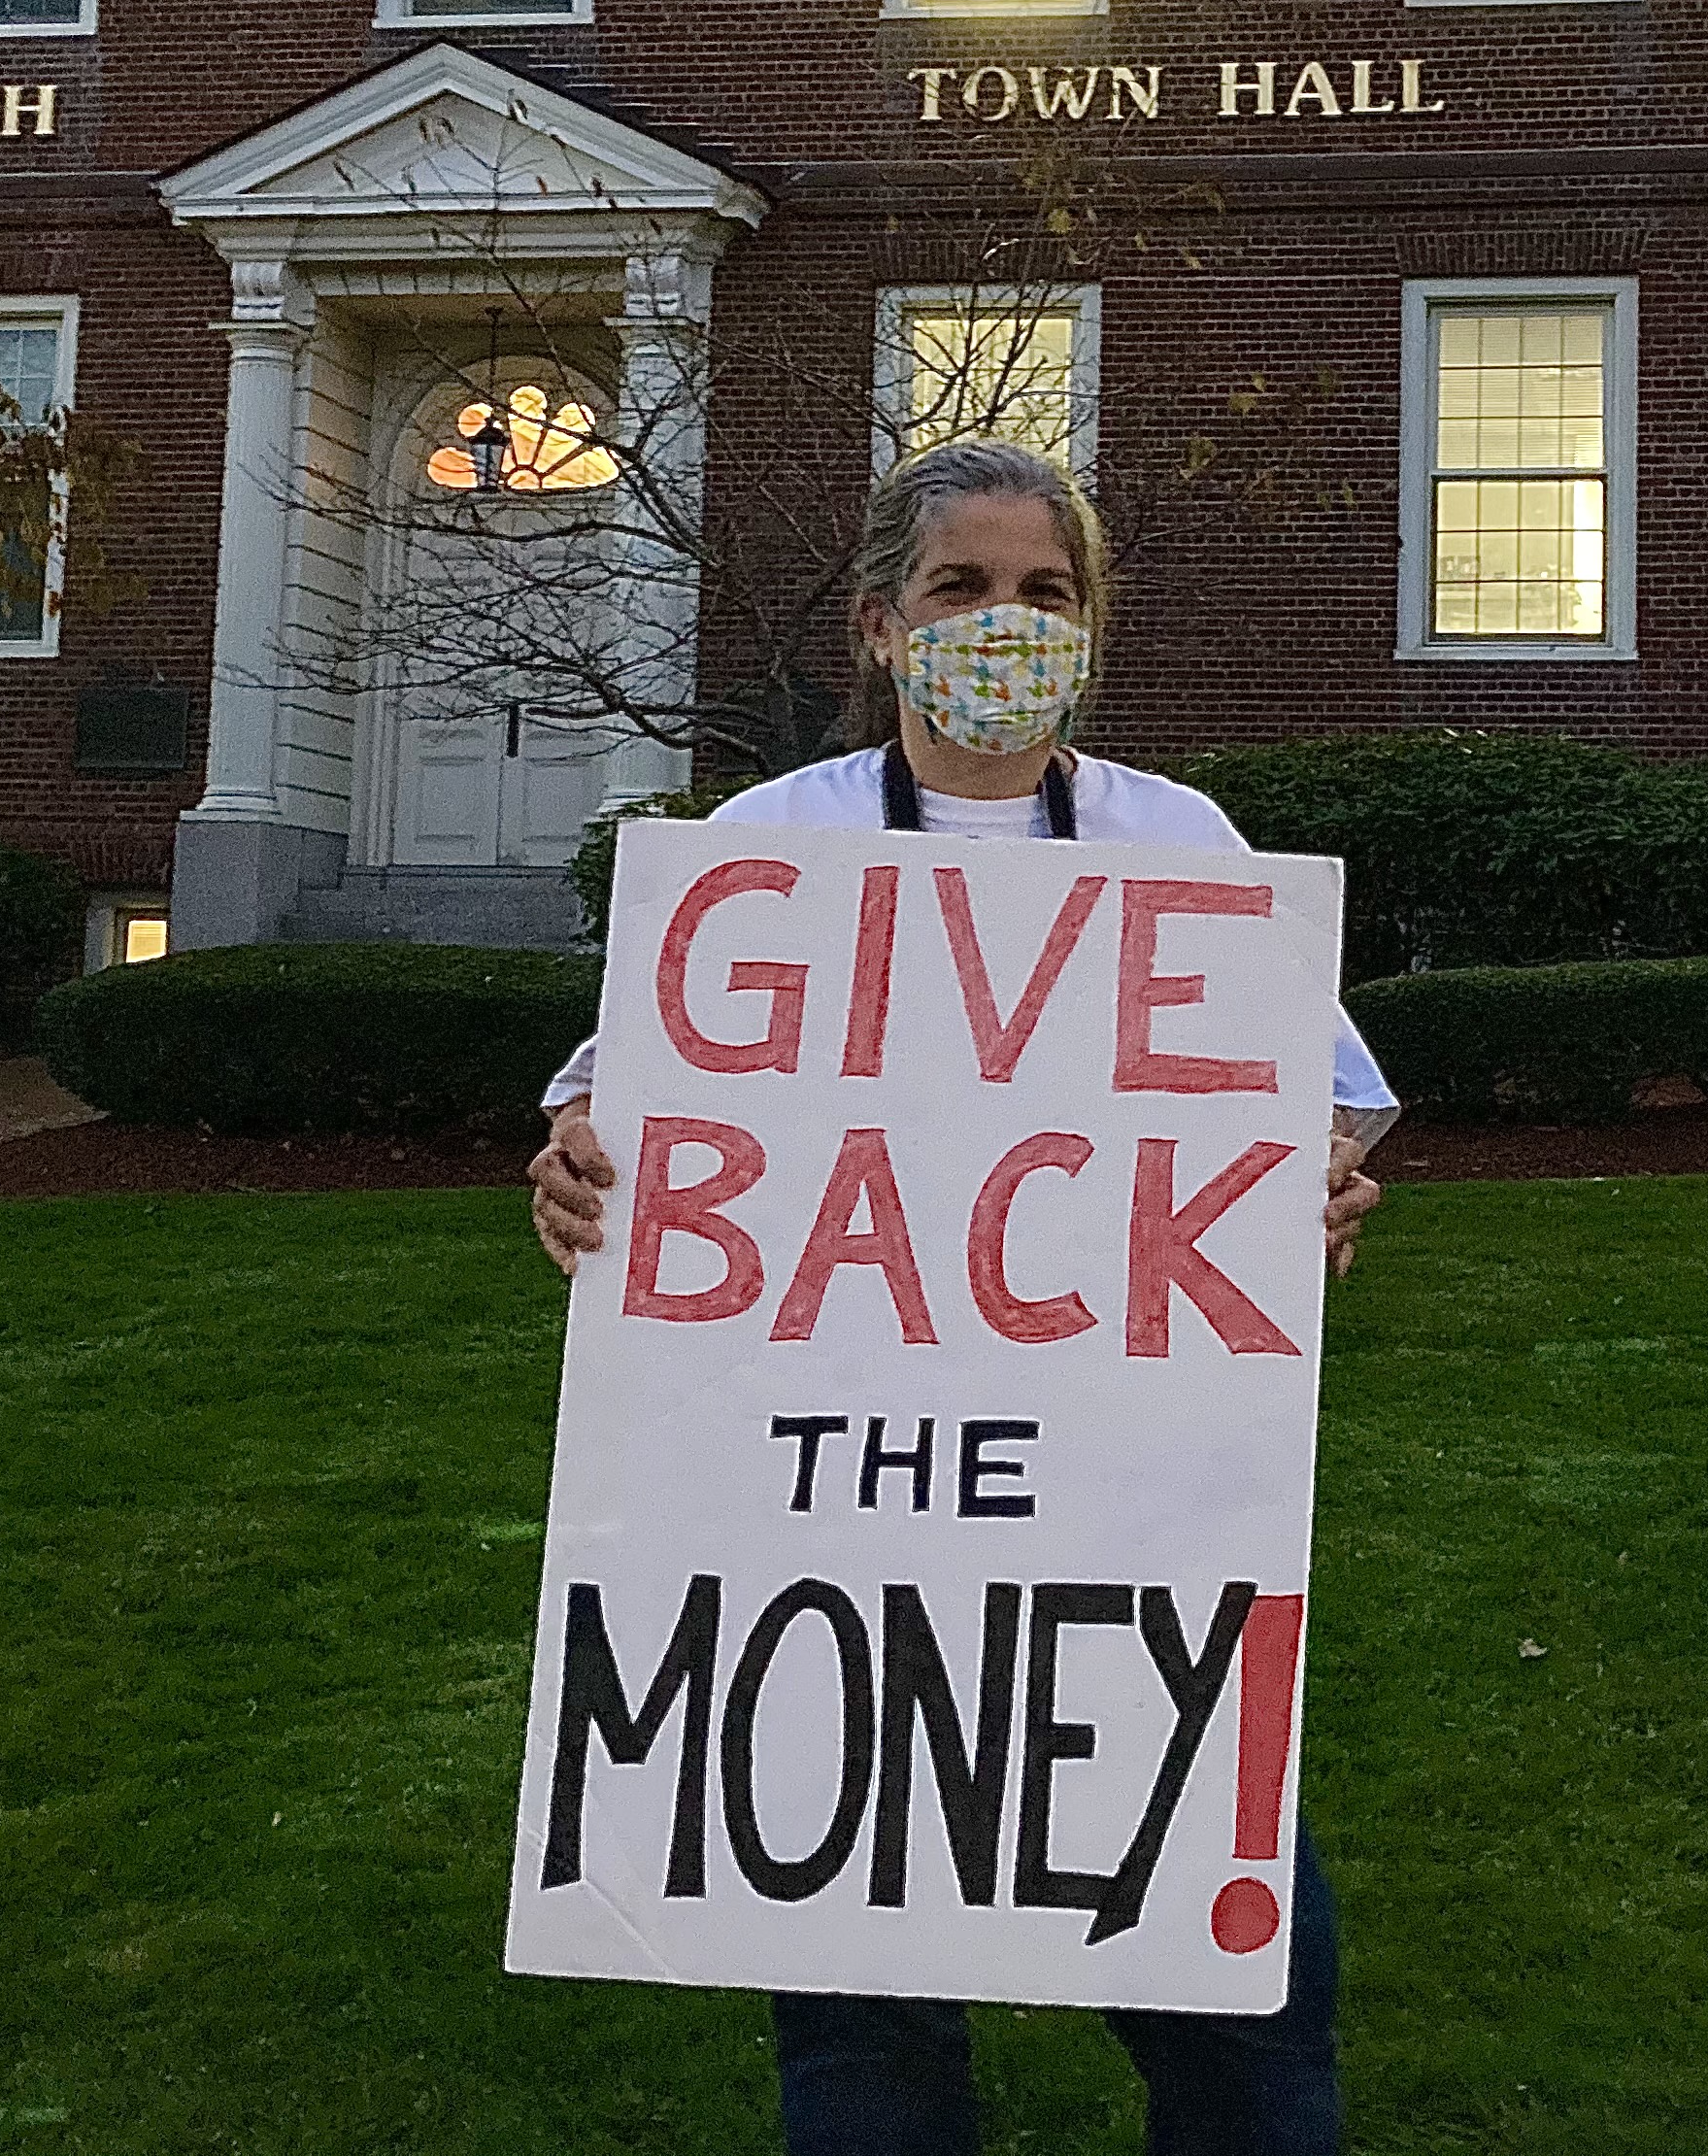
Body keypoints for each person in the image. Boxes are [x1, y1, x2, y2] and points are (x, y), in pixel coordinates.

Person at [527, 433, 1391, 2156]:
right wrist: (568, 1157)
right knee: (863, 2054)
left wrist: (1313, 1194)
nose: (1009, 622)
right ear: (878, 624)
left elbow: (1326, 1104)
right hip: (833, 1544)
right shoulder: (771, 842)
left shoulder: (1175, 835)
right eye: (965, 588)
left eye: (1047, 593)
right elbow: (619, 1100)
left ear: (1094, 624)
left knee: (1246, 2031)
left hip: (1131, 1531)